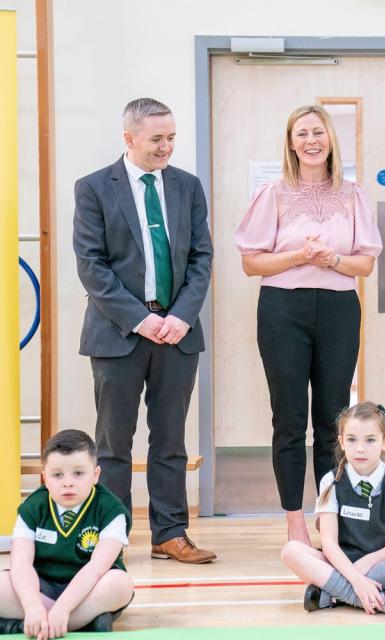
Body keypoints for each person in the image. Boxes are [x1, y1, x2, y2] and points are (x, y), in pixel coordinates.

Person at [73, 97, 216, 563]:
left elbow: (201, 258)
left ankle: (169, 534)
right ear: (129, 138)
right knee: (114, 443)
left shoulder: (188, 187)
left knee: (170, 439)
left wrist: (180, 316)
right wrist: (141, 318)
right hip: (119, 333)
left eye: (172, 138)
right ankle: (109, 540)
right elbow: (92, 266)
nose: (166, 147)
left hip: (177, 332)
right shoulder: (94, 188)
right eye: (157, 139)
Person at [236, 105, 383, 545]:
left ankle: (328, 517)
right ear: (291, 142)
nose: (311, 140)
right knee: (289, 418)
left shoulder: (353, 194)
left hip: (338, 309)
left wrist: (332, 259)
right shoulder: (273, 193)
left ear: (330, 139)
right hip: (283, 309)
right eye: (302, 133)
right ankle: (294, 523)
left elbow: (366, 264)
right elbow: (250, 261)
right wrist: (299, 257)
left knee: (333, 418)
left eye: (318, 132)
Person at [279, 402, 385, 617]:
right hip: (342, 562)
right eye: (352, 440)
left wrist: (367, 562)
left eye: (370, 440)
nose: (360, 448)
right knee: (291, 551)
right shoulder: (331, 481)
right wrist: (356, 579)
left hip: (380, 565)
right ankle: (377, 600)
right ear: (341, 442)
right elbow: (329, 544)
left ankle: (334, 594)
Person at [0, 430, 134, 636]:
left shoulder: (111, 510)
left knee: (120, 584)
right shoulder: (32, 507)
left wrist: (63, 609)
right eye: (57, 475)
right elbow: (20, 563)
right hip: (41, 587)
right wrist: (32, 606)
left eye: (78, 473)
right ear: (44, 477)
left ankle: (32, 626)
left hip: (90, 589)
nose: (68, 482)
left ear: (95, 475)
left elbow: (97, 568)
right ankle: (85, 622)